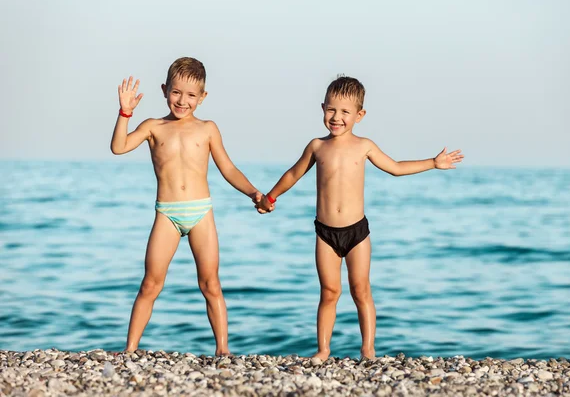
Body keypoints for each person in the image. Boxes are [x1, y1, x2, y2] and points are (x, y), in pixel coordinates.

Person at [256, 76, 464, 360]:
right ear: (322, 108)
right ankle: (323, 350)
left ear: (359, 115)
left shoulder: (364, 145)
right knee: (329, 292)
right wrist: (270, 197)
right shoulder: (317, 146)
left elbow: (395, 167)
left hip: (357, 232)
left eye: (344, 112)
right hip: (325, 232)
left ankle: (368, 350)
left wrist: (432, 162)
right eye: (331, 110)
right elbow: (294, 173)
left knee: (360, 290)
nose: (336, 117)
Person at [111, 57, 264, 355]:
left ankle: (222, 350)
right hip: (167, 214)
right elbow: (118, 147)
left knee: (210, 284)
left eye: (191, 95)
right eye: (176, 92)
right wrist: (125, 112)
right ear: (165, 89)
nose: (183, 100)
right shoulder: (153, 127)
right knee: (151, 284)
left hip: (201, 213)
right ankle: (129, 350)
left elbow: (229, 169)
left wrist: (253, 193)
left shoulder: (207, 129)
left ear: (203, 97)